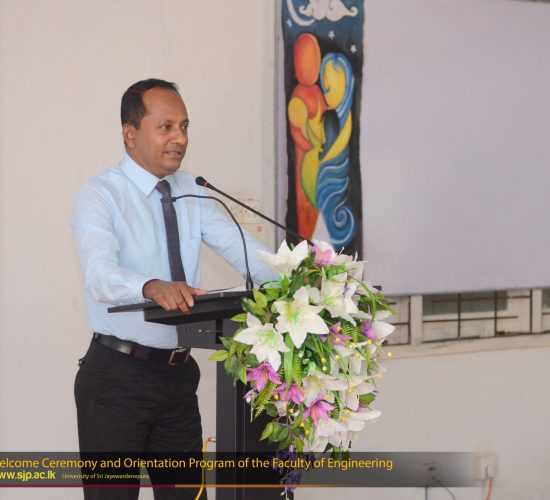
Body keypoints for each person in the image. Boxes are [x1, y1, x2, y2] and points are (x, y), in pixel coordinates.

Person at [71, 78, 276, 499]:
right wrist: (150, 286)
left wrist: (301, 277)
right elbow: (100, 274)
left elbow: (244, 251)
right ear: (131, 133)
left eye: (184, 126)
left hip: (178, 377)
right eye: (166, 127)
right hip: (117, 379)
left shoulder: (193, 190)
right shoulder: (100, 194)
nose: (179, 138)